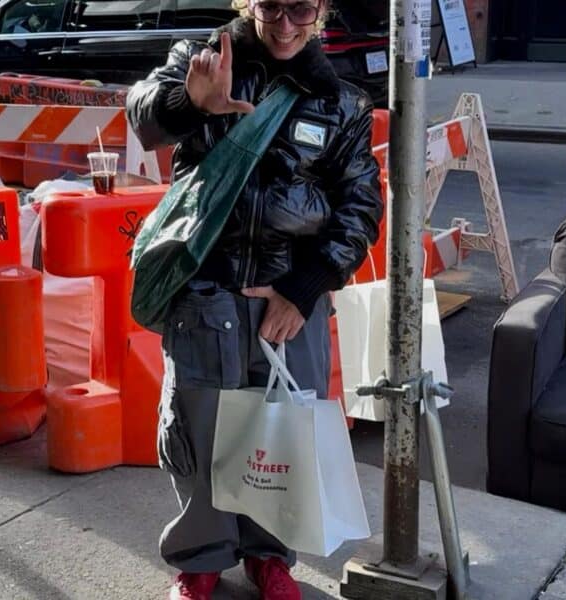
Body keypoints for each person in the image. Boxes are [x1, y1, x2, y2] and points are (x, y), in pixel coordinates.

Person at [126, 1, 382, 598]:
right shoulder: (204, 62)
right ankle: (201, 558)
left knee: (280, 433)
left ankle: (271, 555)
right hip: (204, 291)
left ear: (321, 10)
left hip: (288, 302)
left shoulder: (342, 102)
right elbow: (143, 117)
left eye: (302, 7)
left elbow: (361, 206)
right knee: (198, 430)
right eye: (271, 5)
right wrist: (190, 104)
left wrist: (304, 289)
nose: (286, 23)